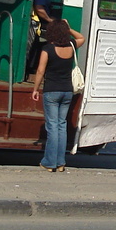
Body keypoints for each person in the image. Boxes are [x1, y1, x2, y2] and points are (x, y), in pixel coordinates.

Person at [30, 17, 85, 172]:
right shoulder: (72, 46)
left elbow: (40, 71)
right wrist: (68, 28)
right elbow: (81, 37)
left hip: (52, 91)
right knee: (62, 126)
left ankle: (49, 162)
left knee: (52, 127)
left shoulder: (47, 49)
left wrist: (35, 89)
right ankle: (60, 162)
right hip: (67, 92)